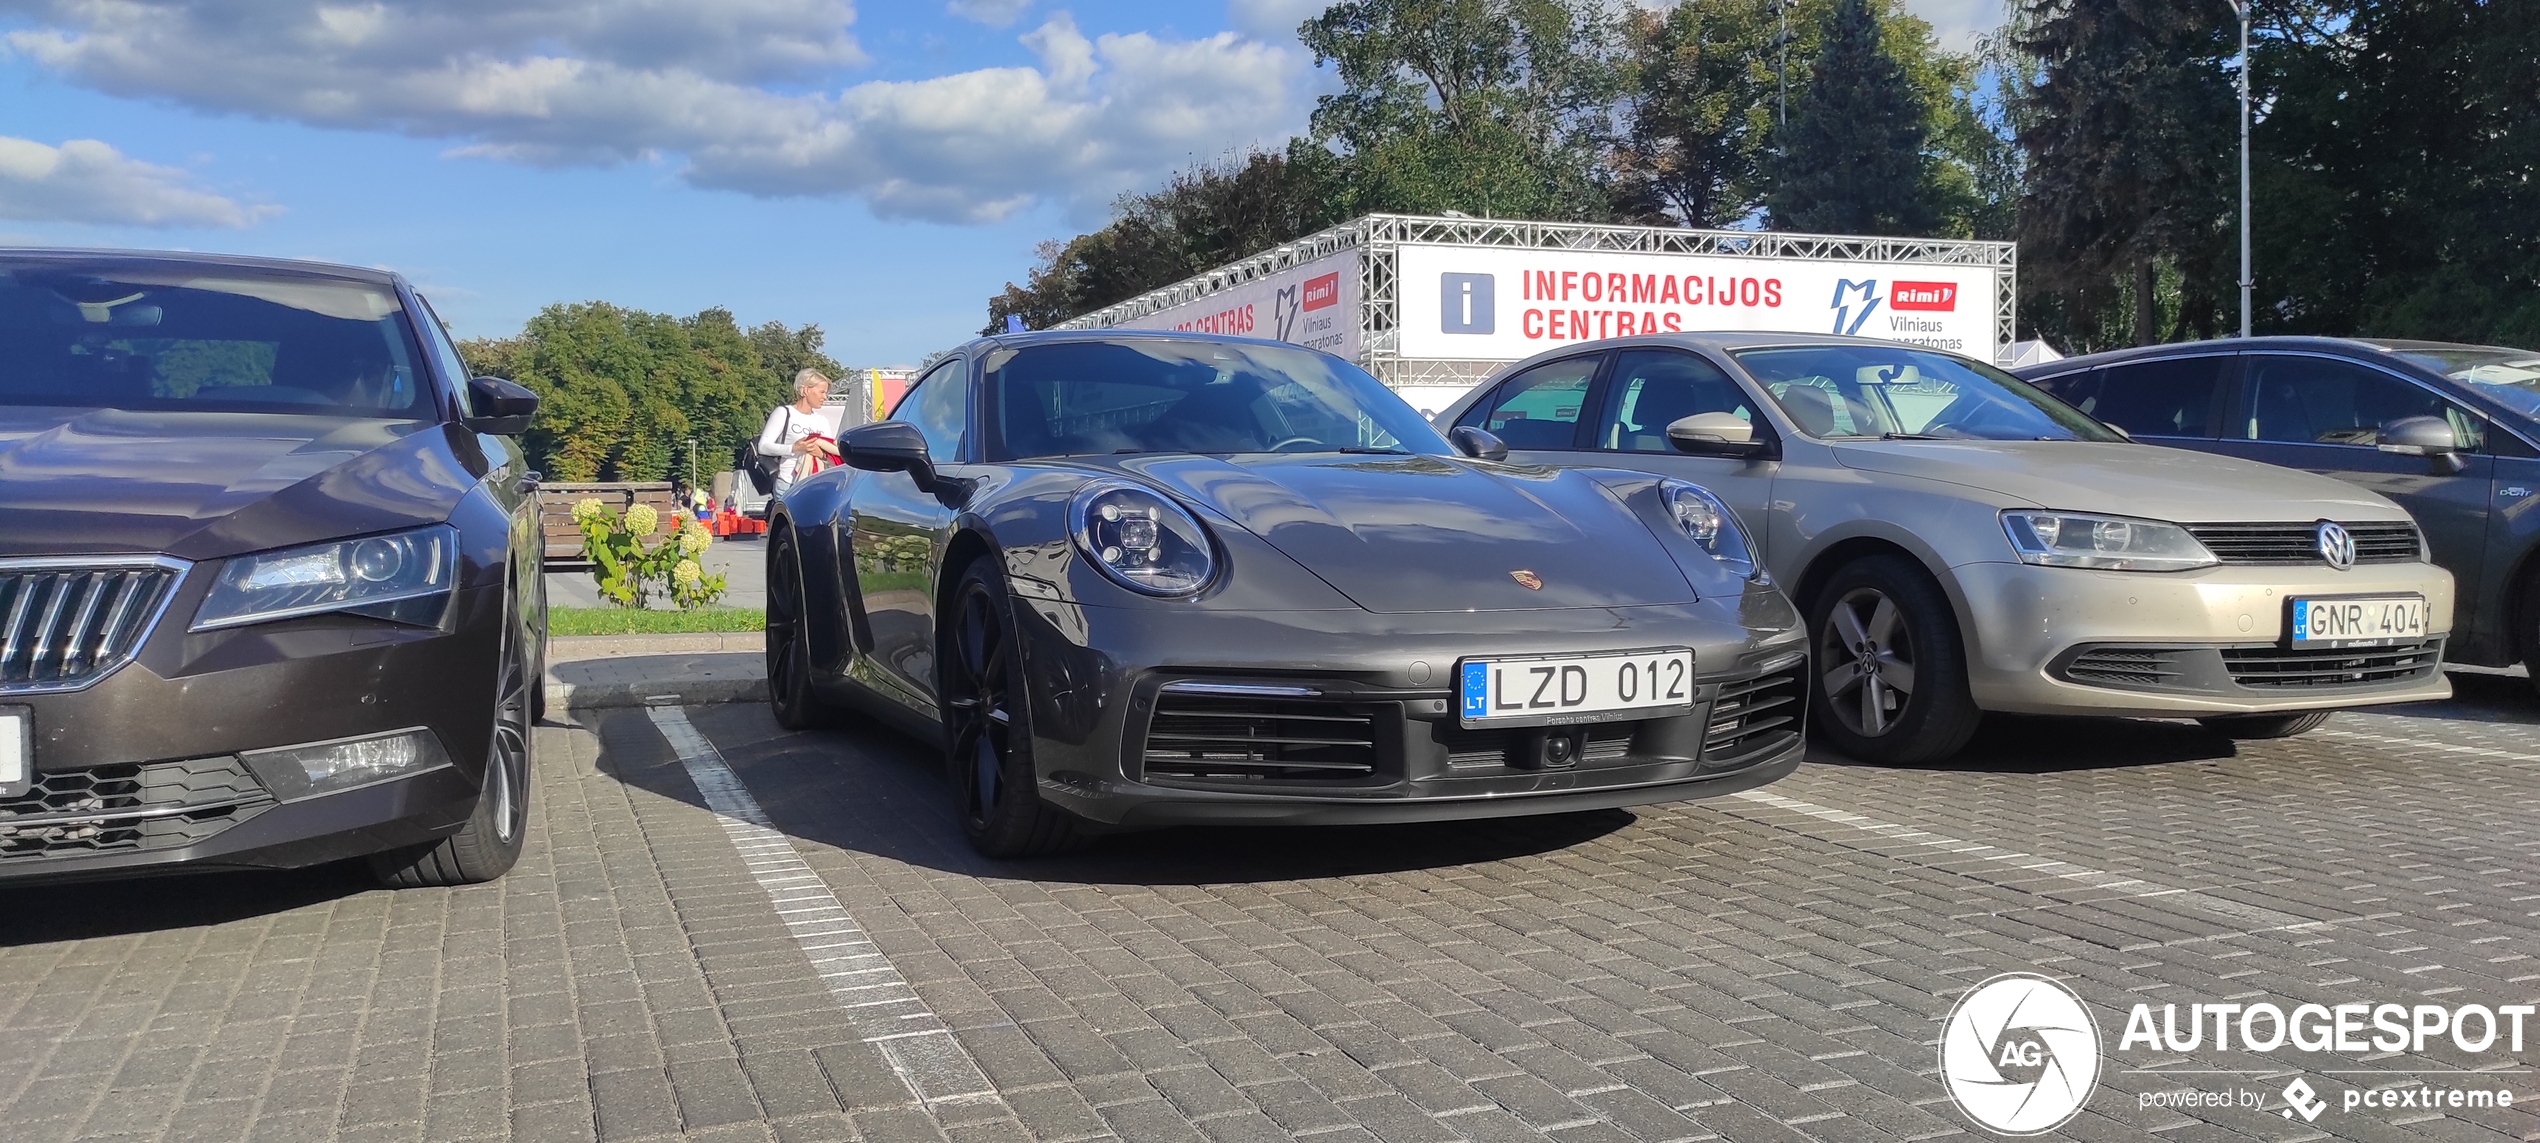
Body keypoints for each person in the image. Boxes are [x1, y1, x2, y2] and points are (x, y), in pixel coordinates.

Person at [757, 368, 843, 496]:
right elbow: (763, 447)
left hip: (814, 483)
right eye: (822, 392)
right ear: (806, 390)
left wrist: (822, 455)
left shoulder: (822, 420)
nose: (825, 397)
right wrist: (794, 448)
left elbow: (830, 456)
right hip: (787, 483)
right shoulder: (784, 413)